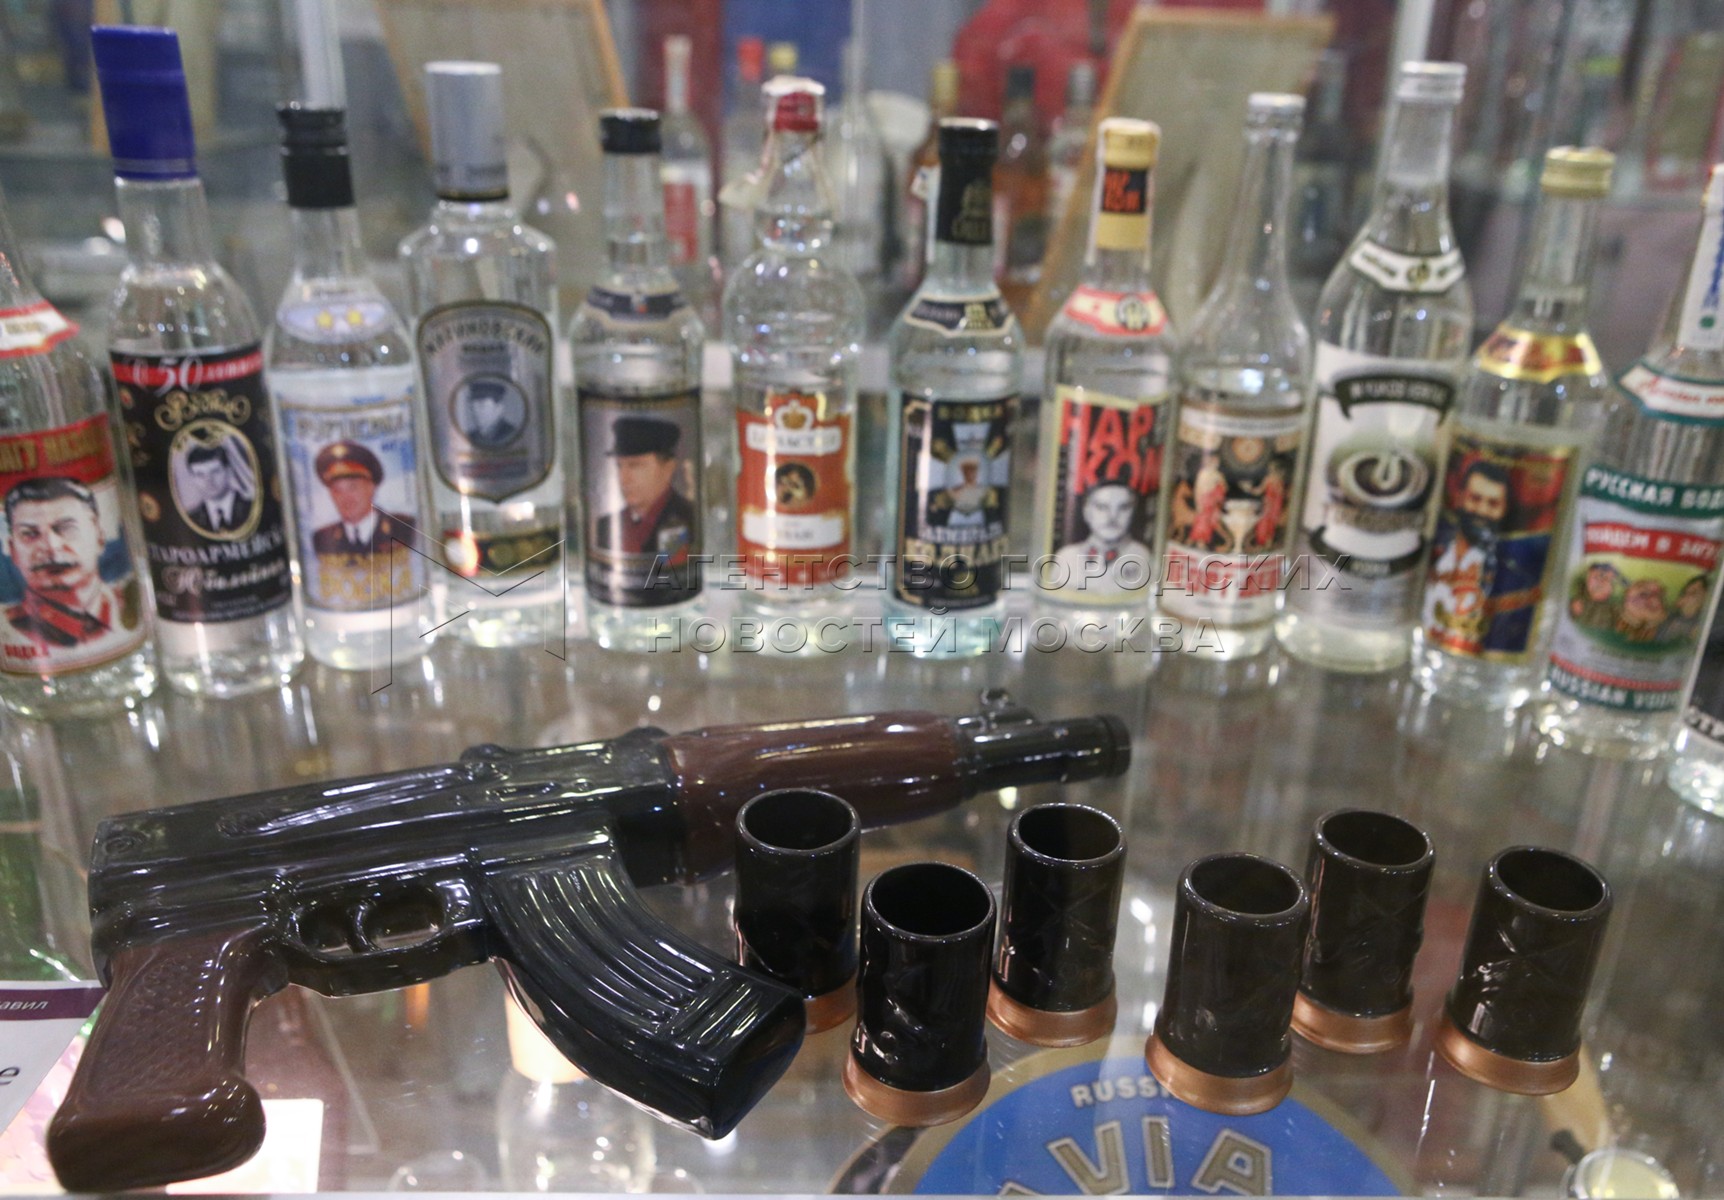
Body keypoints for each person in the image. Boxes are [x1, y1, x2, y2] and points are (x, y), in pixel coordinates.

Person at [3, 476, 137, 652]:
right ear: (13, 550)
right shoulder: (13, 627)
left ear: (99, 536)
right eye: (29, 534)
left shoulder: (125, 605)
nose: (51, 546)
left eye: (66, 528)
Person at [1424, 458, 1510, 646]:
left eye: (1493, 504)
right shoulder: (1437, 546)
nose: (1482, 510)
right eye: (1475, 499)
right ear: (1460, 498)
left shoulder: (1507, 573)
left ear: (1504, 509)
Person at [592, 416, 694, 560]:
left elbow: (671, 568)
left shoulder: (687, 518)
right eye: (619, 466)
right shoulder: (606, 526)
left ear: (667, 469)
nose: (624, 478)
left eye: (635, 466)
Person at [310, 441, 413, 557]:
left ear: (371, 488)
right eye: (337, 490)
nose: (346, 497)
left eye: (352, 487)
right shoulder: (321, 538)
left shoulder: (405, 528)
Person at [1052, 481, 1151, 594]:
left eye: (1123, 508)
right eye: (1102, 507)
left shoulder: (1142, 555)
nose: (1112, 517)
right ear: (1086, 512)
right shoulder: (1066, 555)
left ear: (1132, 513)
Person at [183, 441, 251, 535]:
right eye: (200, 475)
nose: (208, 480)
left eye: (215, 471)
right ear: (192, 478)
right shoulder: (192, 518)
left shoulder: (250, 508)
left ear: (228, 471)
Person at [461, 379, 521, 448]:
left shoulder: (512, 435)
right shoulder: (470, 437)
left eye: (481, 405)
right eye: (473, 406)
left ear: (499, 408)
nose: (475, 411)